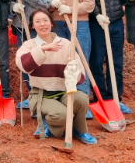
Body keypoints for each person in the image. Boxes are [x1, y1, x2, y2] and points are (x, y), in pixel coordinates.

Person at [16, 9, 97, 145]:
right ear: (32, 26)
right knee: (62, 115)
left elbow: (80, 74)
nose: (42, 24)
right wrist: (42, 49)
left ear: (51, 23)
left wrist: (73, 72)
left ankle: (80, 130)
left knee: (82, 99)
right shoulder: (29, 45)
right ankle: (48, 123)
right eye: (38, 21)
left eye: (45, 20)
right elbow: (24, 65)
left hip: (63, 92)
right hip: (41, 95)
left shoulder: (65, 44)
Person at [82, 0, 133, 114]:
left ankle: (115, 98)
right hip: (96, 23)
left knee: (116, 61)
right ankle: (101, 98)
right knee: (96, 61)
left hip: (116, 21)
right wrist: (96, 14)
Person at [49, 0, 95, 101]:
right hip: (57, 25)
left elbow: (90, 3)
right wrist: (51, 5)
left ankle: (82, 100)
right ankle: (63, 100)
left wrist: (70, 8)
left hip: (79, 23)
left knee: (80, 61)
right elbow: (44, 5)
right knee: (60, 61)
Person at [11, 0, 53, 106]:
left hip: (38, 28)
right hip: (21, 26)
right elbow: (9, 1)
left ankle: (45, 95)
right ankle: (32, 95)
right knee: (27, 61)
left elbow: (45, 2)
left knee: (41, 59)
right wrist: (13, 6)